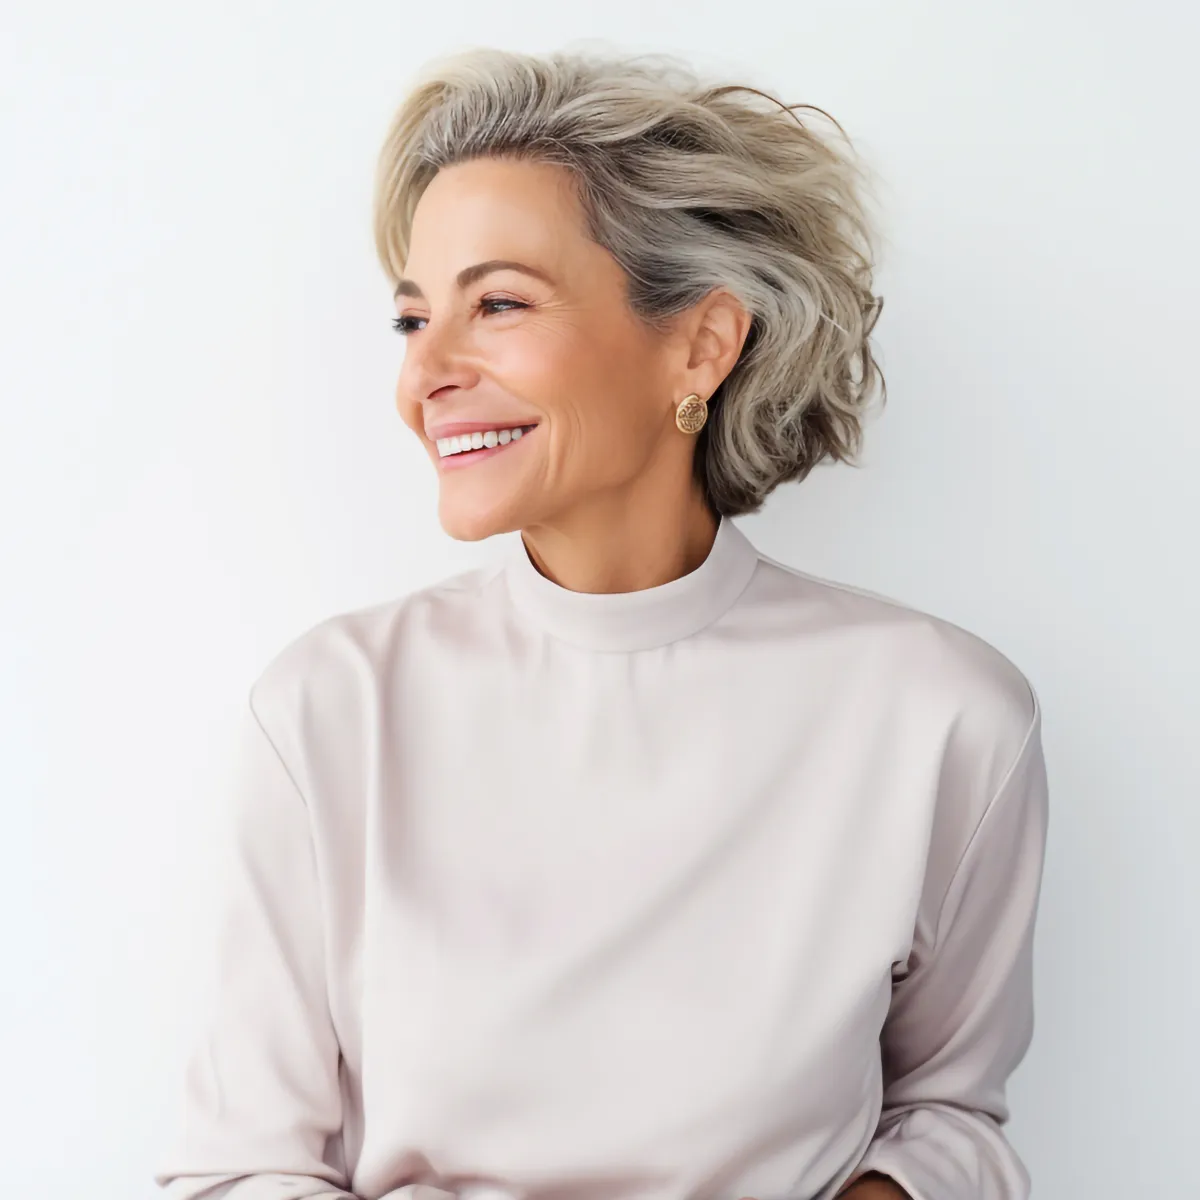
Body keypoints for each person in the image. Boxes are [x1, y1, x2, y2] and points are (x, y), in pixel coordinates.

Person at [155, 45, 1049, 1200]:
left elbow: (951, 1115)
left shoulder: (943, 717)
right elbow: (237, 1169)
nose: (425, 372)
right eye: (414, 319)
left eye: (500, 304)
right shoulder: (333, 708)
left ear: (701, 344)